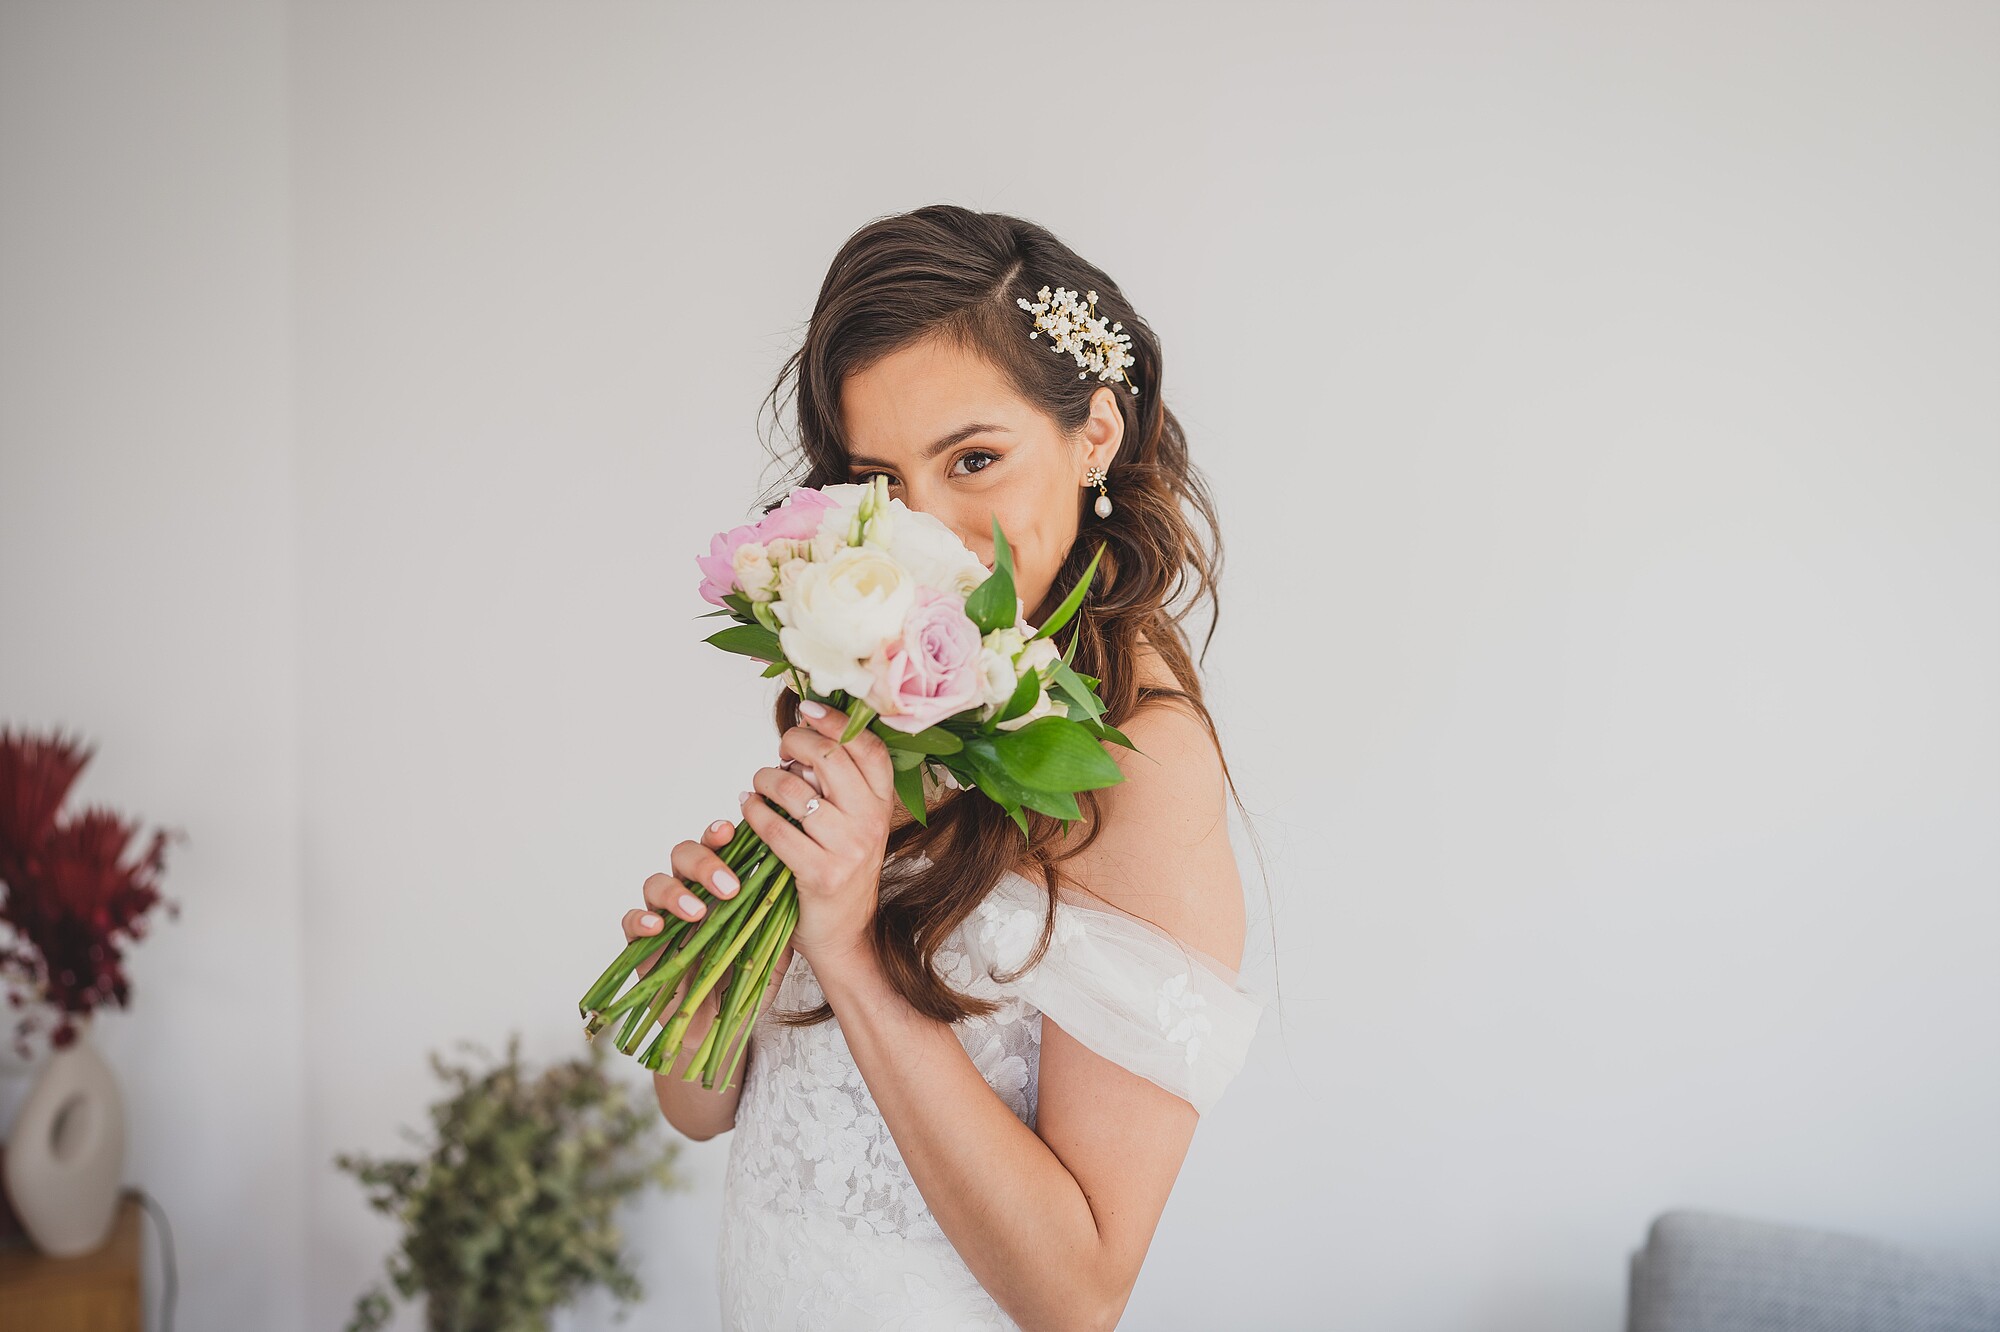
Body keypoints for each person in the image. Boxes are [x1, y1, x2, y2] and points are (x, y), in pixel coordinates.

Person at [616, 205, 1272, 1330]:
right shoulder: (886, 687)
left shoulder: (1136, 761)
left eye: (974, 459)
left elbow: (1077, 1294)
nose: (930, 531)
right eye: (882, 480)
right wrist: (710, 976)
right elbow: (705, 1109)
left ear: (1095, 434)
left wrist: (847, 949)